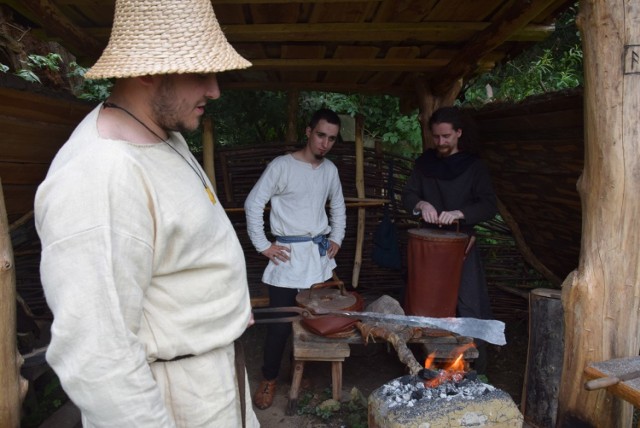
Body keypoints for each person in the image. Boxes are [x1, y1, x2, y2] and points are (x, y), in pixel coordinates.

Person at [34, 1, 259, 427]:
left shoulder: (161, 134)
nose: (214, 90)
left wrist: (222, 301)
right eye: (200, 73)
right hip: (175, 399)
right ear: (147, 70)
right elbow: (98, 354)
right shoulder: (98, 175)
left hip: (212, 379)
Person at [244, 109, 347, 409]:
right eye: (320, 135)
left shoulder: (329, 171)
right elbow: (254, 203)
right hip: (286, 259)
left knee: (315, 320)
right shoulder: (282, 166)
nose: (325, 143)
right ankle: (269, 378)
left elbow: (338, 207)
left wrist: (337, 237)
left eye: (331, 138)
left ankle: (303, 373)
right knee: (279, 323)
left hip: (316, 259)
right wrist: (263, 245)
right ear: (308, 132)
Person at [402, 106, 497, 374]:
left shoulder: (474, 166)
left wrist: (460, 213)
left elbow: (489, 204)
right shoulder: (424, 163)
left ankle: (473, 365)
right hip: (428, 245)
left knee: (468, 302)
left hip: (461, 243)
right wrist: (421, 204)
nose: (441, 142)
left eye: (446, 136)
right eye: (436, 137)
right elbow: (408, 194)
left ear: (458, 133)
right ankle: (424, 365)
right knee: (425, 303)